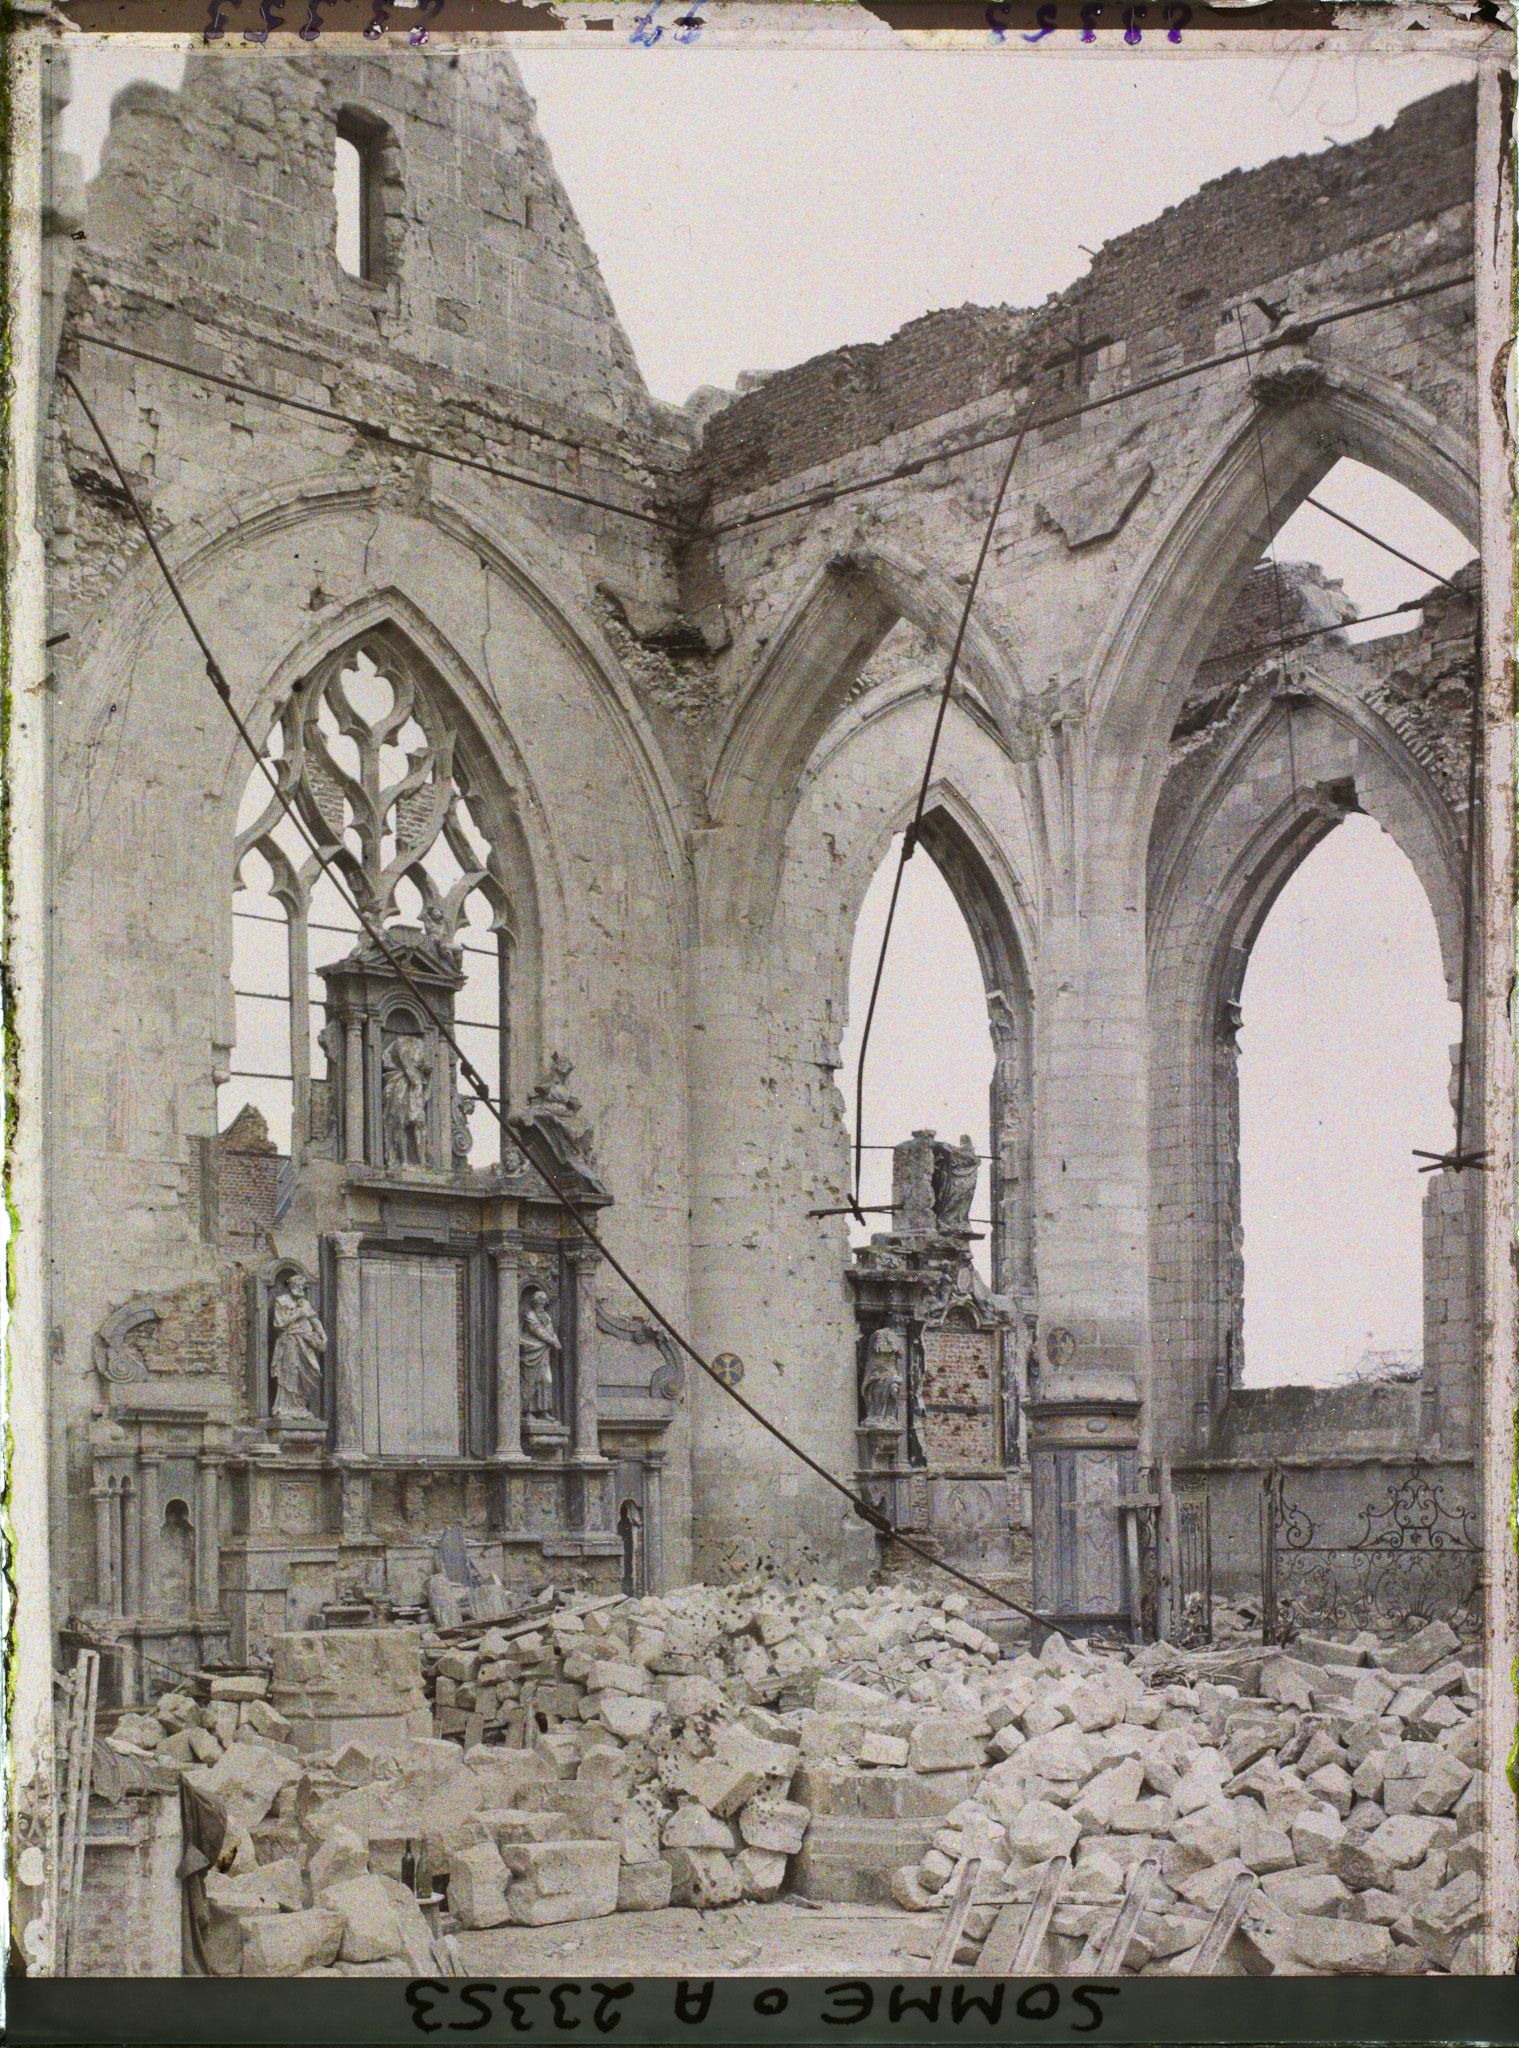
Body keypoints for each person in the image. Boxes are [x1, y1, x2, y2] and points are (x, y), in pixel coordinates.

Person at [270, 1274, 325, 1419]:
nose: (301, 1288)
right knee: (291, 1370)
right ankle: (285, 1407)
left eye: (302, 1285)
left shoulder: (305, 1303)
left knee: (310, 1371)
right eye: (298, 1285)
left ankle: (299, 1406)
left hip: (305, 1342)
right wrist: (298, 1313)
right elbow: (279, 1323)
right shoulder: (281, 1301)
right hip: (290, 1341)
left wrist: (322, 1334)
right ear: (291, 1285)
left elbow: (314, 1320)